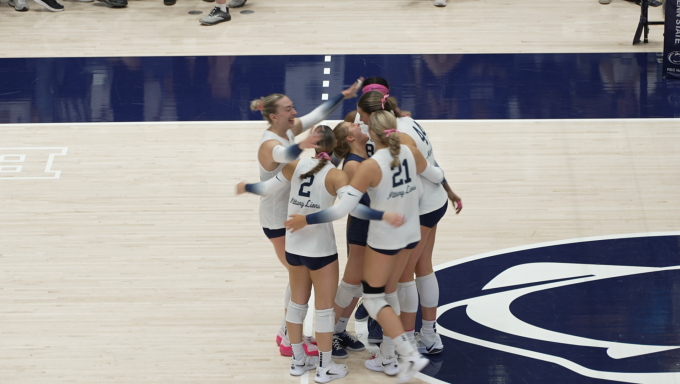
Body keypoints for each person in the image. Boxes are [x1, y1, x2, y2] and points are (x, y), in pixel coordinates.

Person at [285, 110, 443, 383]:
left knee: (372, 294)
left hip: (381, 232)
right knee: (387, 288)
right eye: (354, 124)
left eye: (362, 122)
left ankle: (398, 353)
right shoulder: (406, 151)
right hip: (406, 229)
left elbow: (345, 208)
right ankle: (391, 354)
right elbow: (436, 175)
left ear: (371, 132)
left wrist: (305, 218)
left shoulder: (367, 165)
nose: (358, 123)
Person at [237, 125, 403, 383]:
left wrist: (246, 187)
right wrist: (384, 215)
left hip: (293, 247)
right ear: (336, 146)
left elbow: (267, 188)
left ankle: (297, 361)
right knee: (324, 311)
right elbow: (350, 210)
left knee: (296, 305)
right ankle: (326, 368)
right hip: (320, 250)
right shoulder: (336, 176)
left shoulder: (295, 166)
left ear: (314, 145)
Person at [246, 79, 363, 357]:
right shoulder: (270, 143)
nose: (294, 111)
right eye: (288, 108)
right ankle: (288, 336)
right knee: (295, 276)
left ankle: (287, 331)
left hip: (291, 212)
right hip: (278, 219)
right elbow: (284, 154)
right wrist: (305, 143)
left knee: (297, 276)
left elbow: (316, 115)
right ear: (274, 116)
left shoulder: (288, 129)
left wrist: (342, 95)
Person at [356, 87, 462, 357]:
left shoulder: (402, 140)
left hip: (419, 209)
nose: (359, 122)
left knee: (404, 278)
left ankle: (407, 343)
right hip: (434, 201)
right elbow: (434, 168)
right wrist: (449, 192)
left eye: (361, 117)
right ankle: (428, 334)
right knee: (423, 268)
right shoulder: (406, 121)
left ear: (374, 116)